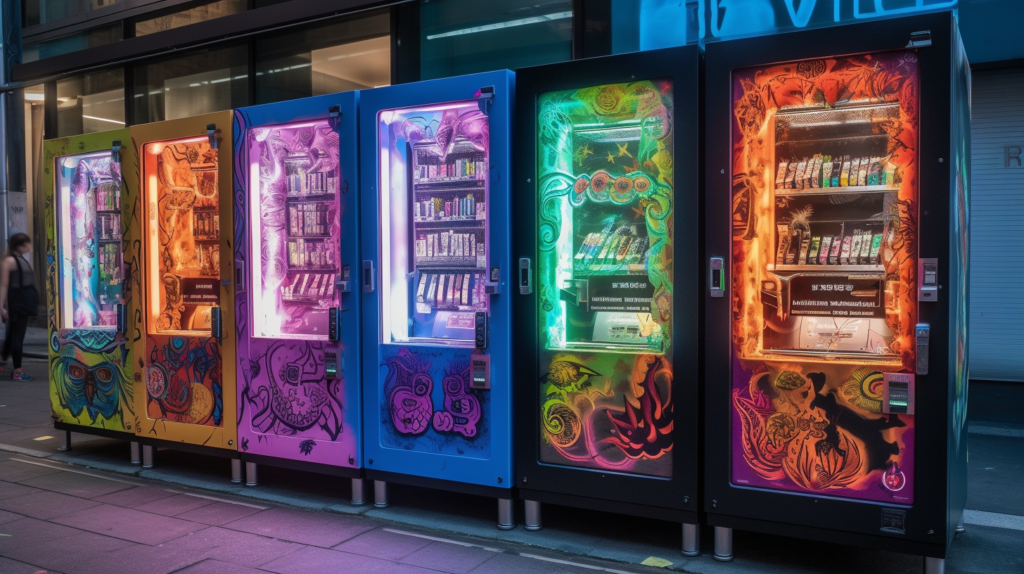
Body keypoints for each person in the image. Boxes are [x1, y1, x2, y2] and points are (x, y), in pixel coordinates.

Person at [0, 233, 38, 381]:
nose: (30, 246)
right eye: (27, 243)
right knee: (17, 337)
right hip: (19, 304)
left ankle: (3, 361)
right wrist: (2, 307)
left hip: (19, 303)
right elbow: (4, 285)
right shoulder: (10, 261)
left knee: (12, 334)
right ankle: (18, 371)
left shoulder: (17, 259)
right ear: (21, 245)